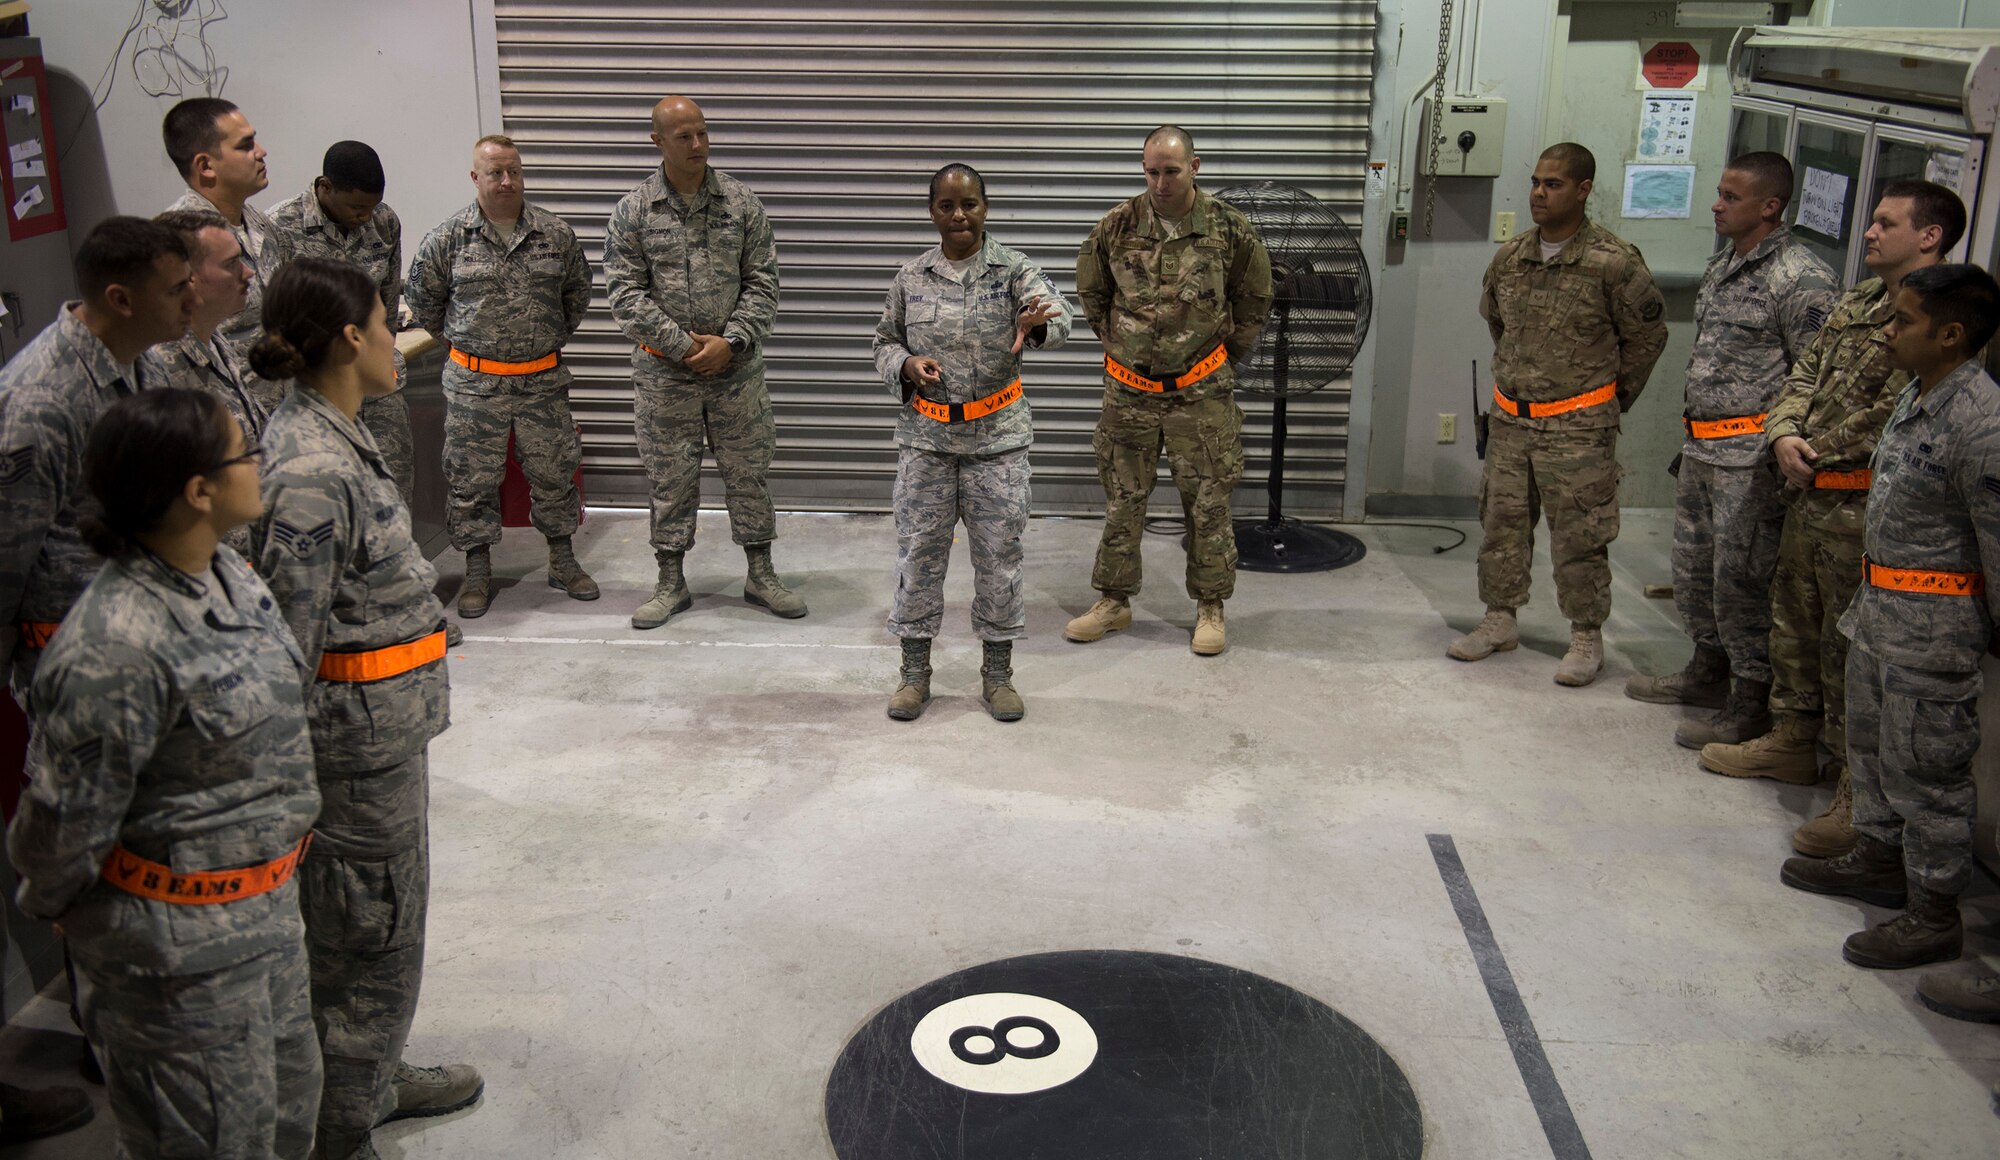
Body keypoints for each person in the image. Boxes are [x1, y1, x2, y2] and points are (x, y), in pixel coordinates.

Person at [8, 387, 319, 1156]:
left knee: (284, 1127)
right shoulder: (115, 645)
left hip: (266, 926)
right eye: (246, 451)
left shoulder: (229, 576)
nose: (262, 461)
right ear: (197, 490)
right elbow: (58, 832)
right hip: (180, 971)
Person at [250, 259, 482, 1158]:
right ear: (350, 337)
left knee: (385, 930)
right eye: (387, 323)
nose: (399, 339)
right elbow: (285, 647)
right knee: (361, 941)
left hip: (384, 742)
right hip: (348, 761)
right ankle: (343, 1126)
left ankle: (372, 1078)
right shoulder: (311, 469)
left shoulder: (340, 435)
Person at [1700, 181, 1964, 859]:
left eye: (1885, 223)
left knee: (1851, 657)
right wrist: (1784, 433)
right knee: (1797, 631)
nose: (1869, 232)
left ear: (1929, 236)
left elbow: (1901, 413)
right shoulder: (1859, 301)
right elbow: (1802, 375)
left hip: (1863, 510)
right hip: (1808, 499)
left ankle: (1855, 790)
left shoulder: (1945, 319)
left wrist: (1813, 449)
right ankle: (1791, 741)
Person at [1778, 262, 2000, 972]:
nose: (1890, 330)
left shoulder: (1980, 422)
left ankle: (1933, 913)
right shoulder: (1918, 394)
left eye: (1904, 321)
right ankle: (1876, 856)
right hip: (1880, 616)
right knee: (1873, 755)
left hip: (1932, 638)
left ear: (1951, 335)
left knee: (1927, 774)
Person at [1625, 153, 1838, 748]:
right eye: (1719, 193)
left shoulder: (1802, 279)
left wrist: (1782, 450)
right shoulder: (1726, 263)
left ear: (1770, 206)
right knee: (1696, 574)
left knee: (1742, 582)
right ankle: (1706, 671)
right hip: (1703, 451)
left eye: (1731, 197)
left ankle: (1751, 704)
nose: (1716, 204)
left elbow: (1814, 378)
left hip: (1751, 462)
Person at [1450, 141, 1668, 686]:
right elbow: (1497, 324)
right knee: (1501, 527)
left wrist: (1609, 404)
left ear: (1584, 189)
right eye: (1536, 183)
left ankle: (1585, 636)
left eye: (1553, 184)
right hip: (1510, 424)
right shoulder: (1512, 257)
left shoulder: (1613, 263)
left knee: (1579, 536)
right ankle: (1499, 620)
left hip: (1577, 429)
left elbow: (1646, 338)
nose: (1539, 194)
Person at [872, 164, 1071, 721]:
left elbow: (1061, 317)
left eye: (970, 204)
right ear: (933, 211)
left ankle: (998, 675)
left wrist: (1035, 326)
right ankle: (914, 675)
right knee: (919, 558)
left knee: (999, 560)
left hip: (998, 445)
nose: (959, 215)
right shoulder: (911, 278)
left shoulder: (1014, 271)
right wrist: (906, 363)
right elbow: (883, 341)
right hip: (926, 443)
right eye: (947, 206)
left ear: (986, 207)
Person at [1065, 125, 1272, 656]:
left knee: (1207, 503)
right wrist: (1114, 342)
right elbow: (1092, 290)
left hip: (1201, 396)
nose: (1160, 182)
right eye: (1151, 171)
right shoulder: (1117, 225)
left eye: (1171, 171)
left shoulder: (1229, 230)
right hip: (1129, 395)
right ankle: (1114, 601)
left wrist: (1225, 355)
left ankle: (1210, 607)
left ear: (1195, 168)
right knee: (1122, 501)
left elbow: (1254, 297)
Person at [604, 95, 802, 628]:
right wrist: (684, 346)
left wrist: (730, 342)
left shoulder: (741, 203)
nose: (697, 145)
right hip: (666, 378)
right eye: (684, 136)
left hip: (736, 375)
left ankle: (761, 574)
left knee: (750, 474)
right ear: (657, 142)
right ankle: (670, 581)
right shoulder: (633, 211)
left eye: (703, 133)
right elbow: (624, 294)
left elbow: (764, 283)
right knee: (669, 479)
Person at [405, 134, 596, 619]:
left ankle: (562, 559)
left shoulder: (555, 234)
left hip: (542, 384)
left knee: (554, 473)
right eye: (495, 172)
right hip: (474, 387)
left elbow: (576, 296)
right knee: (472, 482)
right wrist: (473, 349)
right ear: (476, 178)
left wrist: (538, 342)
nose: (506, 180)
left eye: (513, 170)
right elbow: (426, 305)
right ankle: (476, 569)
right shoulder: (447, 240)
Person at [0, 217, 191, 695]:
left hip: (155, 638)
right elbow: (6, 557)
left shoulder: (142, 356)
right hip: (83, 663)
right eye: (175, 290)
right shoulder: (40, 401)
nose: (192, 300)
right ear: (121, 300)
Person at [271, 141, 417, 509]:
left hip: (376, 380)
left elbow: (386, 300)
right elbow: (272, 315)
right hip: (318, 383)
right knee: (326, 494)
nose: (365, 217)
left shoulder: (384, 221)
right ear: (325, 187)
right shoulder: (279, 228)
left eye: (371, 207)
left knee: (392, 484)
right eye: (356, 207)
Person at [161, 97, 293, 411]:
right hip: (223, 425)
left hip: (279, 420)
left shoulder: (263, 226)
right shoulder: (173, 244)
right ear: (205, 166)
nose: (261, 151)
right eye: (245, 145)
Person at [154, 207, 266, 557]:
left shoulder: (213, 339)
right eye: (232, 263)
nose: (248, 272)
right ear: (187, 277)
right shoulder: (159, 370)